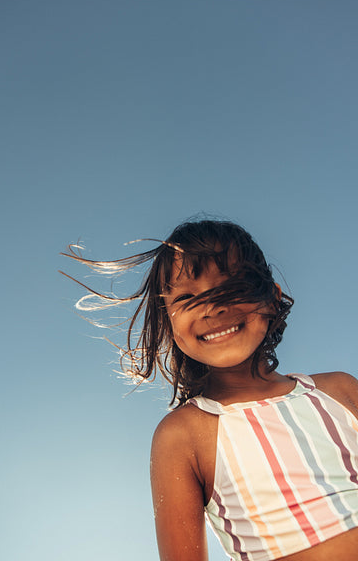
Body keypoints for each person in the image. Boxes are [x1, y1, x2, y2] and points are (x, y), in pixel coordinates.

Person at [62, 219, 358, 561]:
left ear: (272, 298)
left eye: (232, 285)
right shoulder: (183, 434)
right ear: (170, 323)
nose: (213, 307)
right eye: (187, 297)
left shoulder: (339, 390)